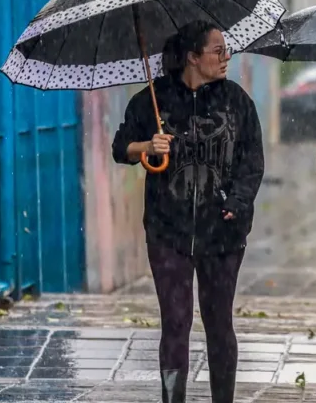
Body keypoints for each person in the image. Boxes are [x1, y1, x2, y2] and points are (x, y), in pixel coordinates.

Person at [112, 20, 264, 403]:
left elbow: (252, 162)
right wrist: (148, 144)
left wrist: (238, 202)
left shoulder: (237, 101)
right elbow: (121, 148)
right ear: (193, 57)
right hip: (168, 233)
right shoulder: (152, 99)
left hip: (223, 234)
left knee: (218, 324)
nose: (225, 57)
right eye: (217, 50)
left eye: (225, 50)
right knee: (176, 323)